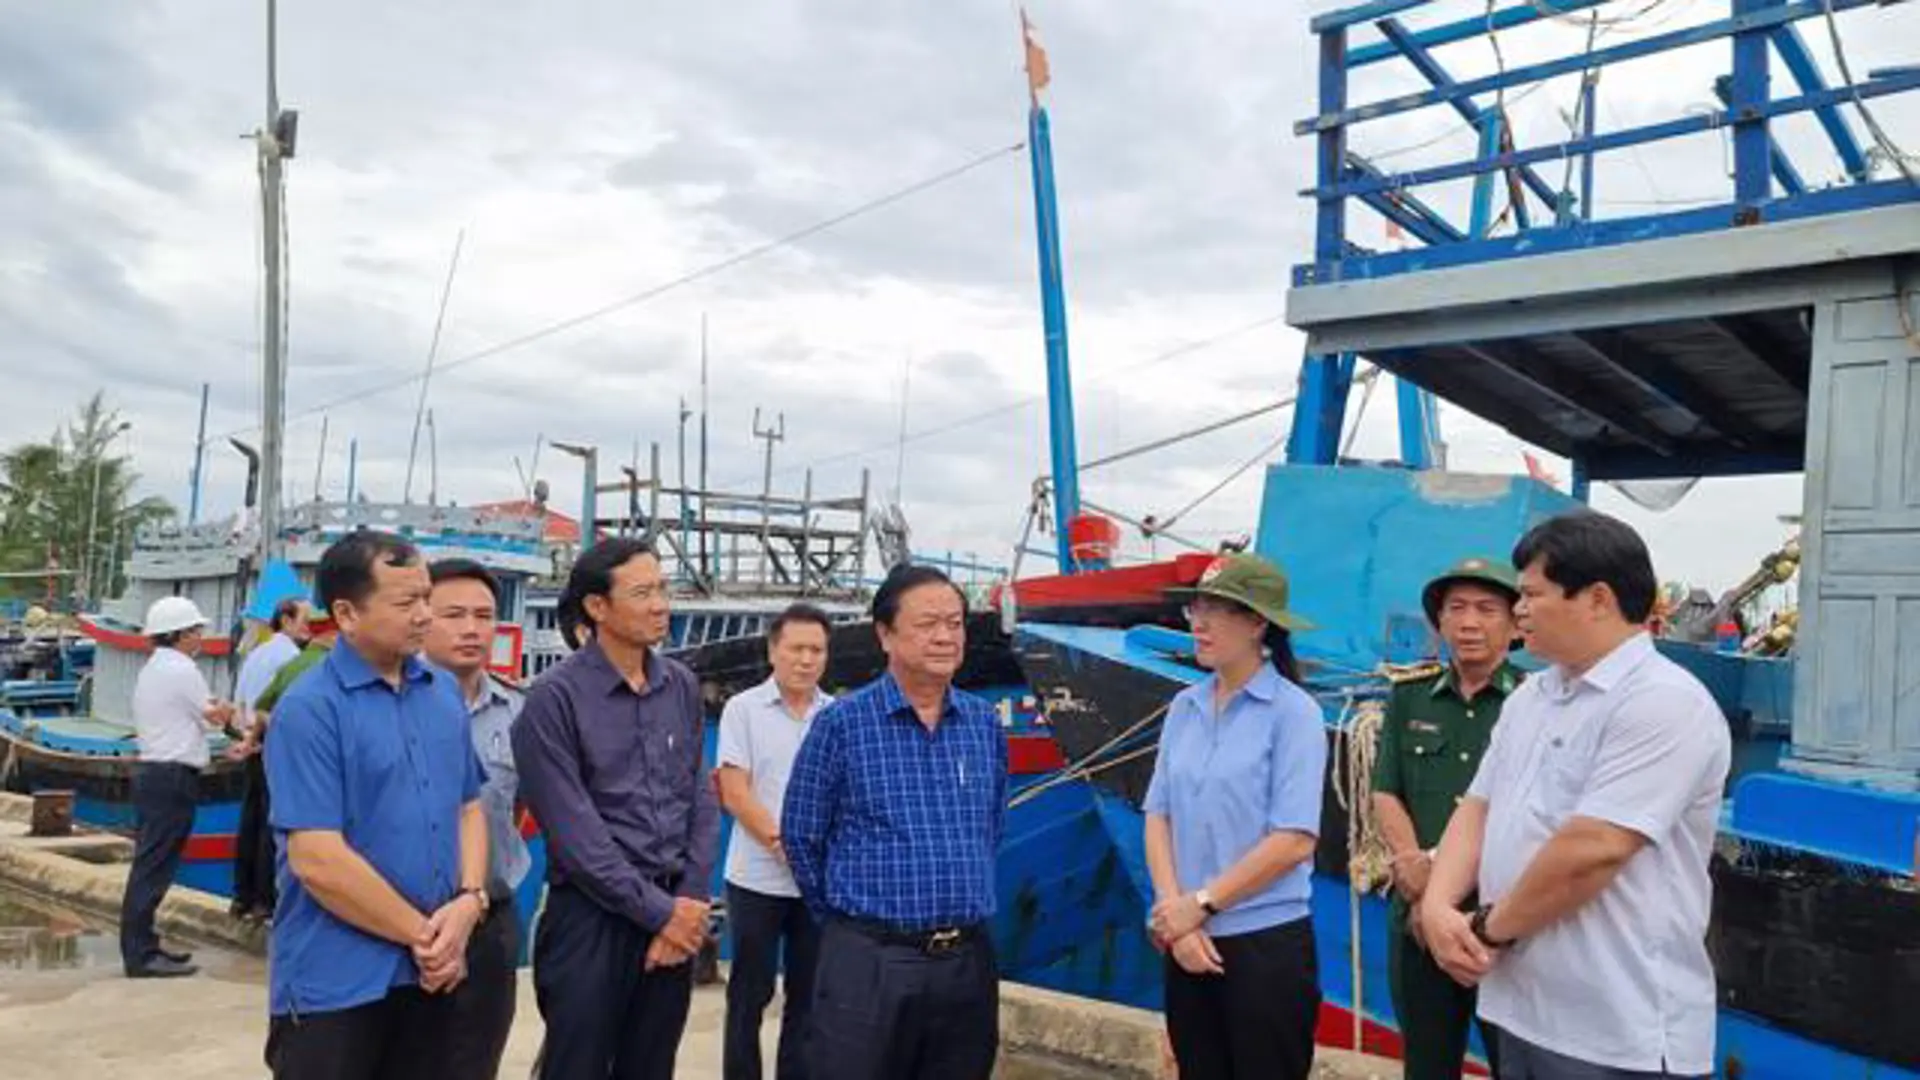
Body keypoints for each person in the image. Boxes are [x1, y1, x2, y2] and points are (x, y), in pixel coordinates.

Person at [1419, 512, 1731, 1080]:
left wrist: (1486, 928)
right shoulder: (1531, 698)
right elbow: (1478, 808)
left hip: (1615, 1029)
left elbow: (1595, 848)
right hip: (1522, 1006)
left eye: (1531, 594)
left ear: (1597, 599)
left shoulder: (1663, 702)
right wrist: (1439, 908)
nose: (1518, 610)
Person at [263, 531, 490, 1079]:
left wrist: (469, 901)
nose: (423, 615)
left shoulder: (441, 693)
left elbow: (468, 806)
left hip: (433, 975)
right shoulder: (310, 710)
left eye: (425, 598)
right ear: (346, 613)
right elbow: (317, 858)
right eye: (406, 602)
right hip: (338, 983)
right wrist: (425, 937)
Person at [782, 563, 1007, 1080]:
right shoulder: (841, 725)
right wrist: (854, 927)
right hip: (870, 963)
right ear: (885, 634)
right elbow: (802, 836)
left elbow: (991, 826)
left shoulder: (982, 723)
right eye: (928, 624)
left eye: (955, 623)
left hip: (967, 962)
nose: (946, 636)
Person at [512, 538, 719, 1080]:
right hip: (591, 919)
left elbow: (700, 796)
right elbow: (578, 839)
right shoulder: (553, 700)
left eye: (663, 589)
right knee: (576, 1065)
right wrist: (663, 915)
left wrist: (691, 901)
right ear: (597, 607)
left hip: (674, 909)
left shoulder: (680, 685)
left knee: (651, 1066)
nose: (660, 605)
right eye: (642, 592)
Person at [1142, 553, 1328, 1080]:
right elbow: (1158, 814)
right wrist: (1173, 914)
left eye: (1218, 610)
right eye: (1196, 608)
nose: (1199, 623)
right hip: (1185, 939)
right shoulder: (1184, 707)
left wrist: (1201, 904)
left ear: (1256, 623)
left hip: (1264, 945)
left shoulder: (1295, 714)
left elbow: (1294, 839)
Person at [1371, 558, 1523, 1080]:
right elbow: (1387, 790)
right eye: (1455, 609)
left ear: (1514, 622)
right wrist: (1415, 871)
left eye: (1486, 609)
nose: (1469, 623)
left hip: (1504, 919)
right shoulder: (1408, 696)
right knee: (1427, 1063)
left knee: (1518, 1063)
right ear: (1439, 622)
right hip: (1417, 913)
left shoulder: (1533, 703)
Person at [717, 602, 834, 1080]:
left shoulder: (837, 715)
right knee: (749, 994)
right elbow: (734, 789)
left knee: (809, 997)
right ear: (773, 651)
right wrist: (782, 842)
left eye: (817, 650)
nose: (806, 660)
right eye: (796, 648)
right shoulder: (742, 710)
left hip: (817, 884)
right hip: (755, 880)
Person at [422, 557, 528, 1080]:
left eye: (484, 616)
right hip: (408, 920)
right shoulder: (391, 706)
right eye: (455, 615)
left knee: (476, 1063)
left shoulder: (518, 712)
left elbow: (518, 809)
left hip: (491, 921)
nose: (472, 629)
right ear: (421, 616)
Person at [120, 595, 236, 978]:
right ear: (181, 634)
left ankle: (145, 945)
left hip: (156, 773)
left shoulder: (154, 668)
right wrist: (231, 714)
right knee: (154, 865)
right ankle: (140, 954)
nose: (200, 636)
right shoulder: (181, 669)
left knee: (152, 862)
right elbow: (214, 715)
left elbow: (193, 721)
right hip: (171, 777)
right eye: (195, 630)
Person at [230, 598, 311, 920]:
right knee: (271, 824)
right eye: (304, 619)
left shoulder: (256, 654)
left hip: (250, 740)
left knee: (249, 820)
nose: (309, 626)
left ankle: (242, 896)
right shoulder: (291, 658)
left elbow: (240, 703)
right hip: (272, 744)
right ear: (286, 620)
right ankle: (266, 899)